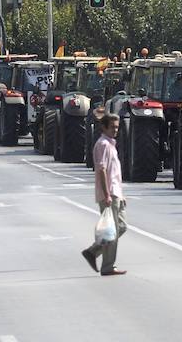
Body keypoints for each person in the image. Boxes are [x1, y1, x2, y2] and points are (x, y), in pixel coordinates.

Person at [82, 113, 127, 276]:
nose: (115, 130)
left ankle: (93, 251)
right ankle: (108, 266)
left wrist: (121, 194)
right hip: (109, 193)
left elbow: (114, 173)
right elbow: (101, 170)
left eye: (117, 127)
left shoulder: (111, 144)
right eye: (112, 127)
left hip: (115, 192)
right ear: (104, 127)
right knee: (112, 230)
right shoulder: (103, 145)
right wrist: (107, 194)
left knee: (121, 227)